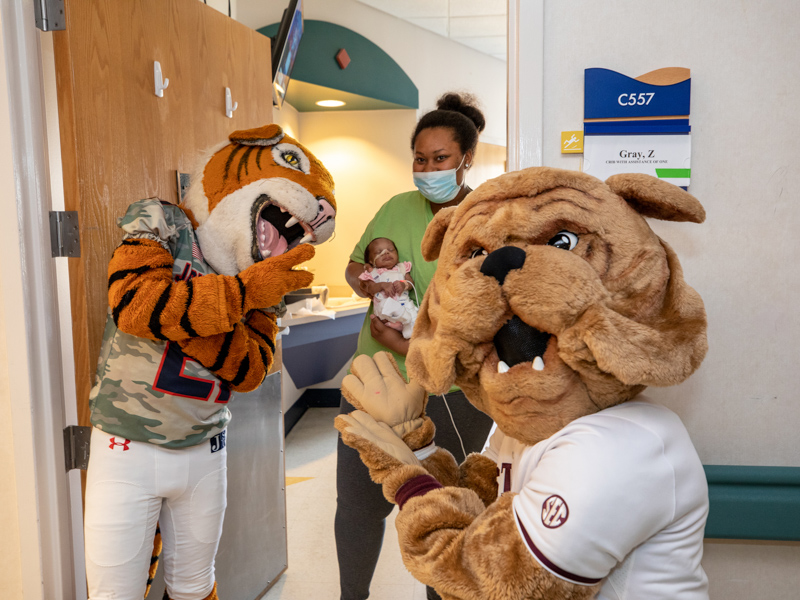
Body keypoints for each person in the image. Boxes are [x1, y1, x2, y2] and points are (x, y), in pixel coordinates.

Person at [335, 92, 495, 600]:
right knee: (359, 506)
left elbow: (483, 322)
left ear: (467, 158)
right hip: (375, 381)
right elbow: (356, 263)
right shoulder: (395, 208)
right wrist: (366, 283)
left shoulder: (485, 220)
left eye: (440, 159)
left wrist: (412, 349)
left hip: (453, 390)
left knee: (446, 508)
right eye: (420, 159)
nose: (427, 169)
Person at [358, 237, 418, 339]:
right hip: (384, 308)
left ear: (397, 256)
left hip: (404, 304)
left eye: (390, 250)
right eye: (379, 252)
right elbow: (370, 289)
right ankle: (404, 323)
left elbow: (411, 283)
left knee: (414, 312)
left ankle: (405, 327)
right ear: (371, 261)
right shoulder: (373, 273)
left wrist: (404, 285)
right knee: (389, 307)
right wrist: (381, 285)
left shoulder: (402, 269)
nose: (386, 253)